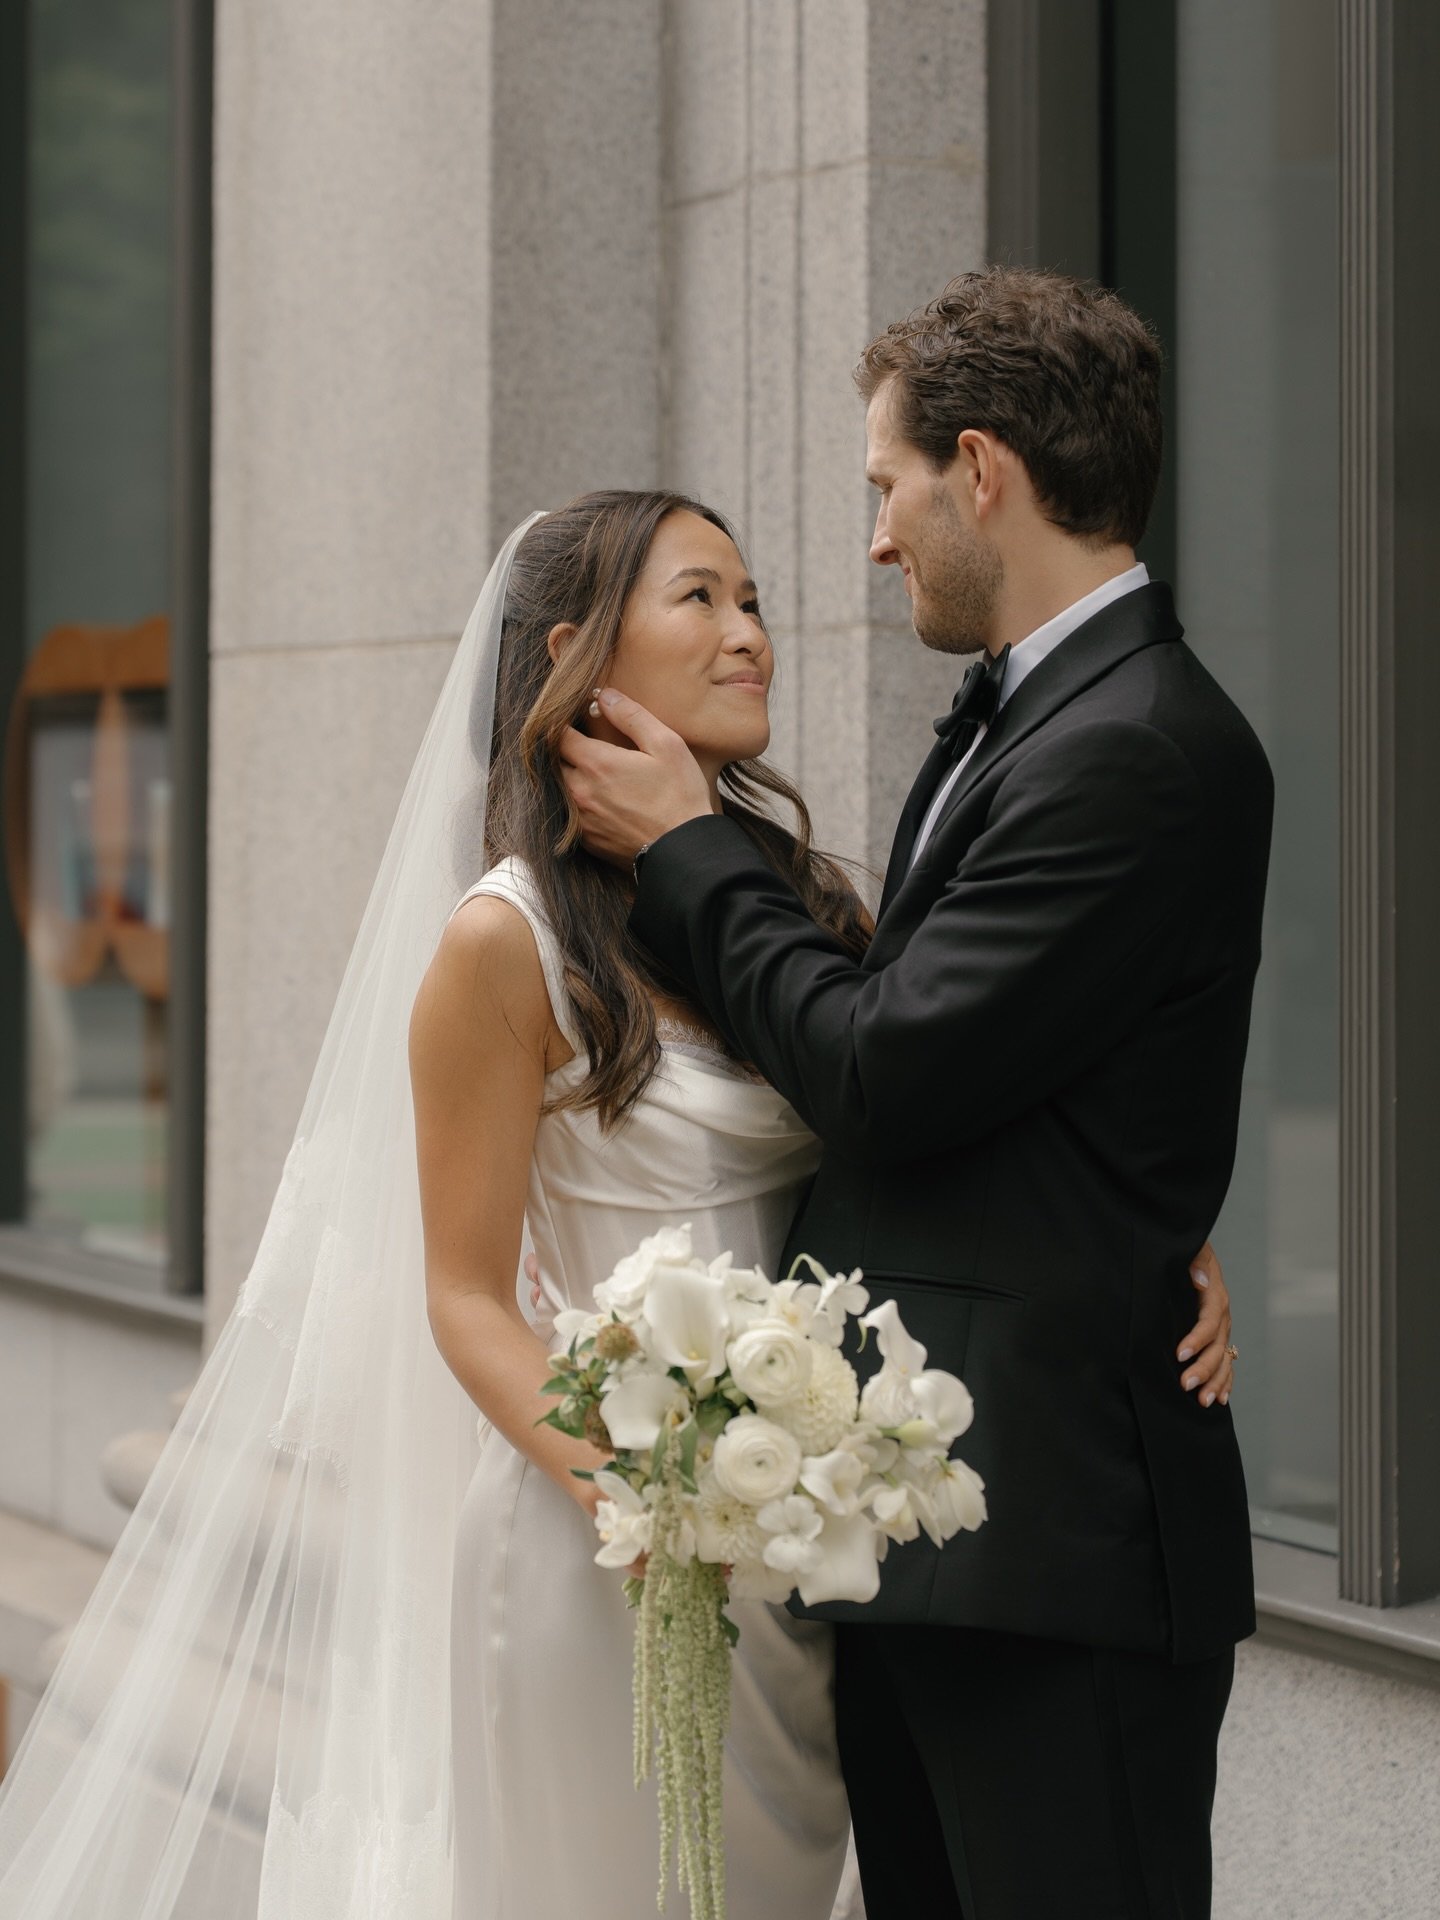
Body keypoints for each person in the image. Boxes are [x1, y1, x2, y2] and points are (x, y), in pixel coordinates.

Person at [0, 490, 1234, 1920]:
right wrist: (634, 1495)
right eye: (702, 599)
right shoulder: (503, 943)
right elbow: (462, 1293)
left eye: (755, 599)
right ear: (583, 656)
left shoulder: (804, 908)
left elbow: (935, 1087)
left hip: (800, 1548)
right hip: (603, 1554)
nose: (751, 635)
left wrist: (1146, 1227)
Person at [560, 270, 1270, 1920]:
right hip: (934, 1544)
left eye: (886, 488)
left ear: (982, 470)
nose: (875, 541)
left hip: (1058, 1560)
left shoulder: (1136, 746)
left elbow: (888, 1065)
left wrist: (686, 850)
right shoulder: (1041, 713)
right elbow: (1016, 1064)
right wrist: (1139, 1207)